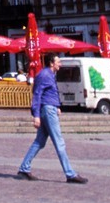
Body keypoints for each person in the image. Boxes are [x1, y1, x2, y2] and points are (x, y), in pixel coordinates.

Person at [16, 53, 88, 183]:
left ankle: (24, 168)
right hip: (48, 111)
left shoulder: (50, 75)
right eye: (58, 61)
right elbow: (37, 95)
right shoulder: (44, 75)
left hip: (50, 108)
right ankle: (70, 174)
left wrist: (57, 106)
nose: (60, 64)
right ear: (51, 63)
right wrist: (36, 115)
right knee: (59, 142)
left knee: (39, 142)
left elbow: (49, 93)